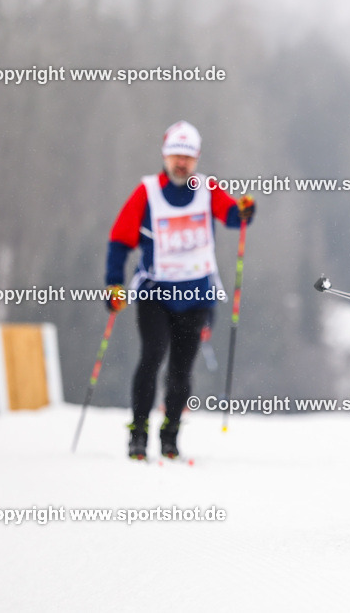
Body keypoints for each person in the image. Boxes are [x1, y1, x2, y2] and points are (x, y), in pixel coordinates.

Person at [105, 120, 255, 460]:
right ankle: (138, 432)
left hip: (196, 296)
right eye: (175, 156)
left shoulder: (207, 188)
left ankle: (170, 434)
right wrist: (113, 283)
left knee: (181, 369)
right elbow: (120, 240)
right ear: (165, 155)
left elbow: (233, 216)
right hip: (155, 294)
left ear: (197, 159)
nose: (181, 164)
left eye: (187, 157)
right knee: (152, 356)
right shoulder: (147, 192)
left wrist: (245, 210)